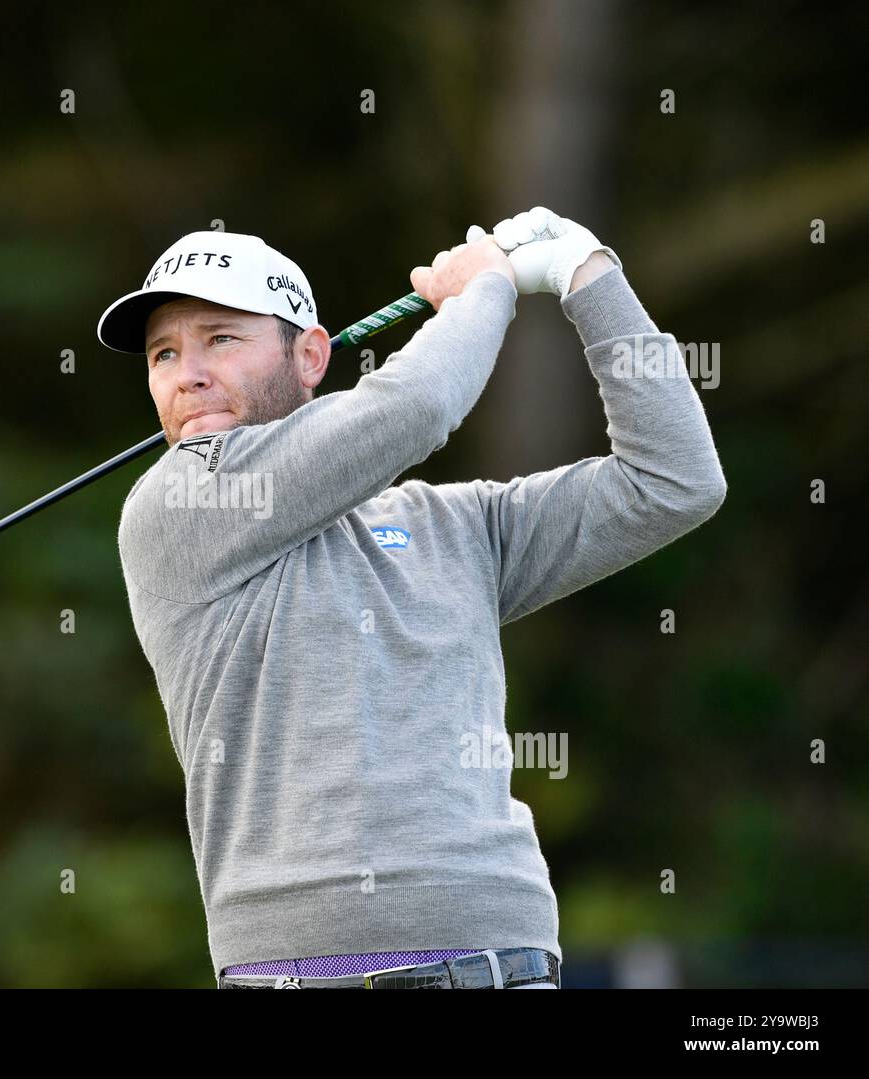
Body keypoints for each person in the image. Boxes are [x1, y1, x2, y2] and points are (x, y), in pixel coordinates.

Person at [97, 211, 726, 988]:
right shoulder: (173, 508)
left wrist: (590, 278)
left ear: (310, 355)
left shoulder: (454, 523)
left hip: (506, 962)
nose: (184, 373)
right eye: (164, 352)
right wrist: (484, 290)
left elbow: (673, 480)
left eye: (219, 338)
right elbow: (417, 406)